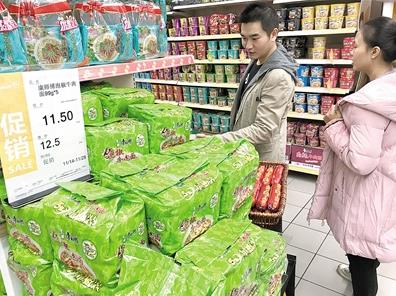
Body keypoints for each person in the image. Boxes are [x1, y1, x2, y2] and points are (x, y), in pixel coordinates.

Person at [308, 16, 396, 296]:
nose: (351, 51)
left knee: (362, 261)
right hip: (384, 191)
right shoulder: (389, 90)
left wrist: (333, 124)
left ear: (374, 52)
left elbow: (360, 161)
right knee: (367, 255)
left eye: (356, 45)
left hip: (367, 198)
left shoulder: (367, 105)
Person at [217, 3, 298, 162]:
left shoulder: (278, 76)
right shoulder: (259, 59)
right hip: (246, 150)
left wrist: (219, 141)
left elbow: (264, 129)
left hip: (262, 158)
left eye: (255, 38)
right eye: (243, 38)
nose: (248, 46)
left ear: (273, 34)